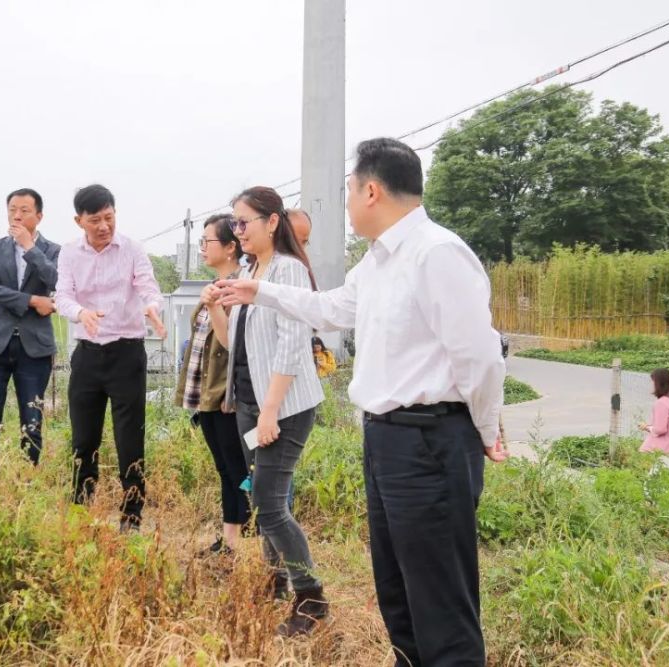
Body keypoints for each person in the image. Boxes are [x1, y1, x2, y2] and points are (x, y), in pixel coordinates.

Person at [217, 138, 508, 665]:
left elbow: (480, 357)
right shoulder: (376, 263)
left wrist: (486, 431)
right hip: (387, 439)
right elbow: (329, 309)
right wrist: (258, 292)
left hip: (433, 439)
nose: (347, 201)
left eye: (349, 189)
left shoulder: (436, 253)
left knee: (440, 597)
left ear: (372, 190)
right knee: (398, 589)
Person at [202, 186, 327, 637]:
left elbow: (294, 346)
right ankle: (275, 580)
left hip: (284, 406)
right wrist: (217, 308)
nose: (238, 231)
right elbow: (236, 345)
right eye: (233, 224)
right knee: (261, 494)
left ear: (271, 222)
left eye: (243, 222)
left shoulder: (289, 271)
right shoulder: (254, 269)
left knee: (271, 505)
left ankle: (310, 598)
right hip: (250, 405)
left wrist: (271, 412)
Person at [55, 184, 166, 532]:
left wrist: (152, 306)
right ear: (79, 221)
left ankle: (131, 517)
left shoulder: (132, 248)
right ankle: (81, 512)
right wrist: (79, 313)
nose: (104, 226)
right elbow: (62, 295)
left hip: (126, 354)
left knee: (129, 438)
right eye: (95, 220)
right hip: (87, 357)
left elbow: (148, 287)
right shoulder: (70, 253)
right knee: (84, 439)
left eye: (109, 217)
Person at [175, 214, 250, 554]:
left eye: (208, 242)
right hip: (206, 395)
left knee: (235, 469)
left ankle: (241, 544)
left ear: (231, 247)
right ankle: (230, 540)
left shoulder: (239, 288)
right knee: (225, 468)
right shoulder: (215, 287)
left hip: (225, 396)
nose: (203, 248)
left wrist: (228, 393)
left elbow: (236, 345)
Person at [0, 188, 60, 465]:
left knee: (32, 418)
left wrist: (29, 248)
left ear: (39, 215)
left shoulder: (54, 251)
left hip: (35, 347)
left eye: (24, 210)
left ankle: (28, 477)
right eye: (12, 209)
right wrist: (34, 300)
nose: (17, 215)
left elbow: (57, 281)